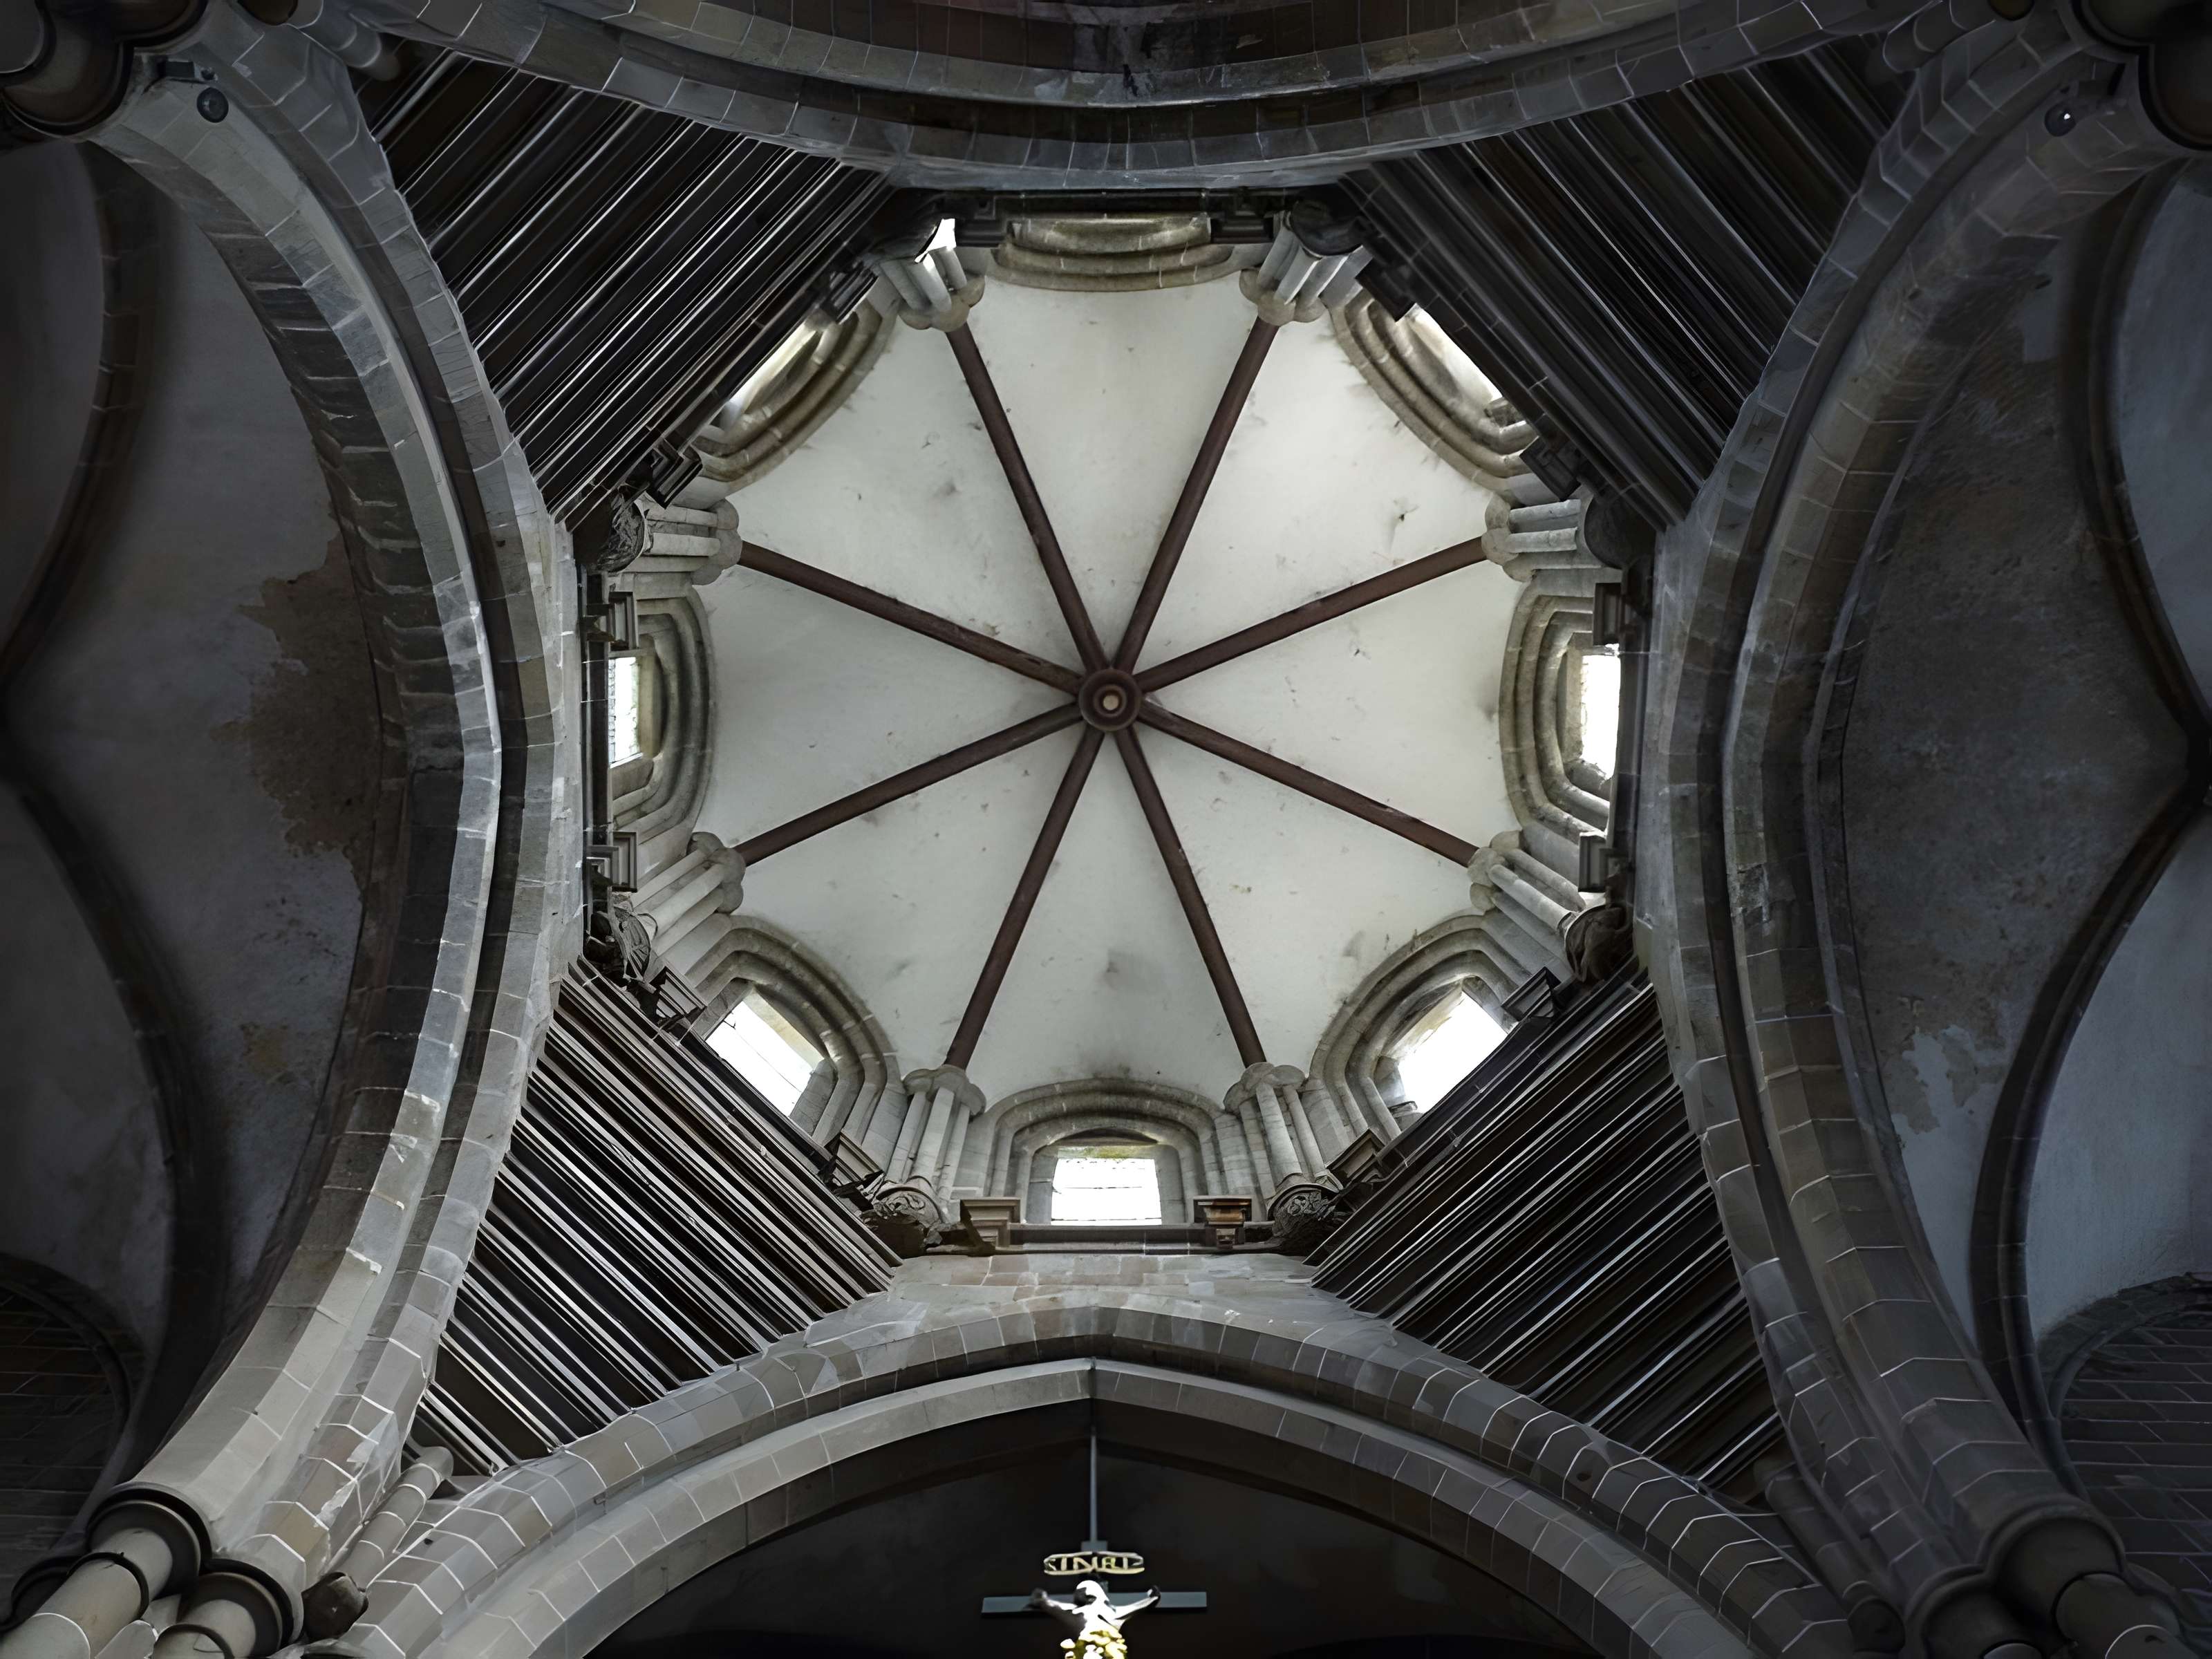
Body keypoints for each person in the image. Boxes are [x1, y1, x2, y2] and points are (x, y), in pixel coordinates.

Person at [1029, 1579, 1159, 1659]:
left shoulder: (1111, 1612)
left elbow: (1137, 1607)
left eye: (1083, 1591)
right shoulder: (1079, 1612)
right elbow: (1055, 1607)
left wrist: (1152, 1599)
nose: (1082, 1594)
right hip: (1091, 1643)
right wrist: (1043, 1601)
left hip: (1106, 1643)